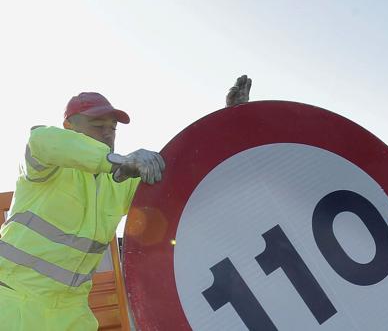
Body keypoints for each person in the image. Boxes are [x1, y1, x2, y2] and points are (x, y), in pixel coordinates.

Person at [0, 75, 252, 330]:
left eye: (113, 128)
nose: (108, 133)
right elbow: (42, 141)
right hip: (13, 299)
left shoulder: (120, 181)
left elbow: (183, 174)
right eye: (98, 125)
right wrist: (116, 161)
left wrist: (231, 124)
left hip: (71, 312)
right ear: (69, 127)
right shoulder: (45, 165)